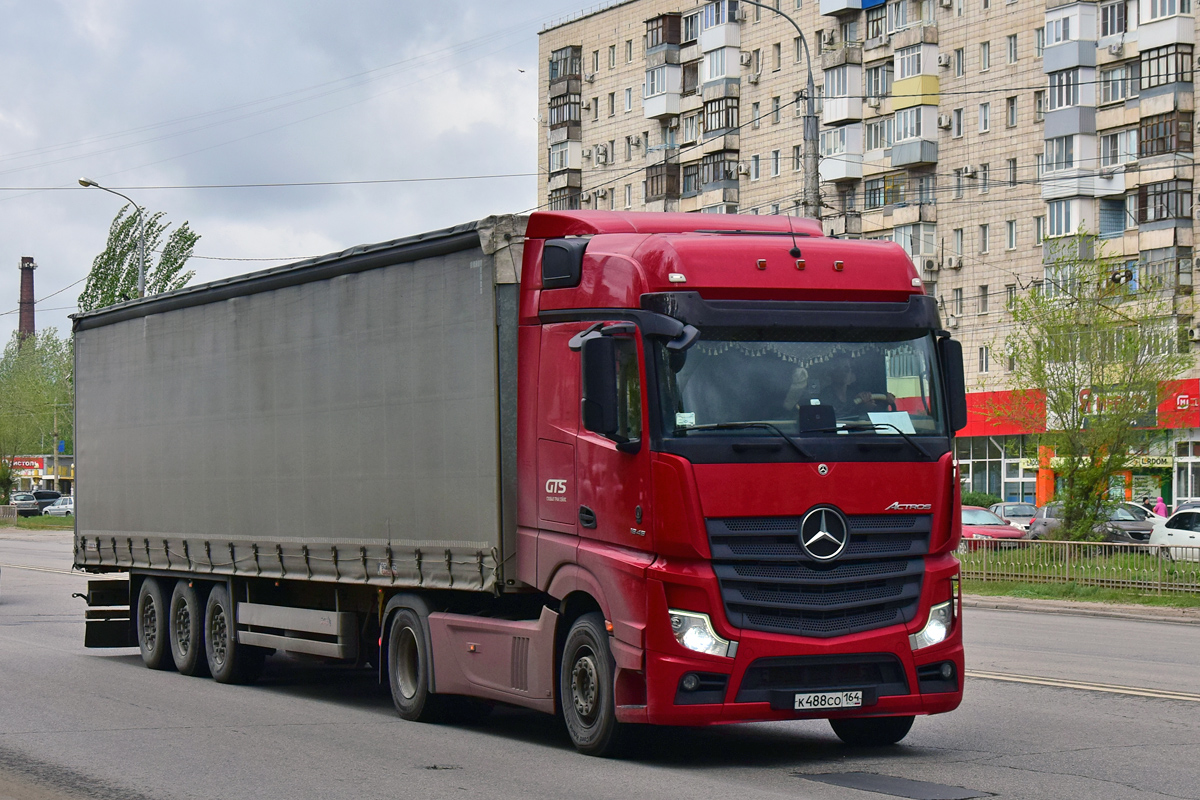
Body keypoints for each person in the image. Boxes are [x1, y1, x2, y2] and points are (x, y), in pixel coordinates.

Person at [819, 359, 893, 416]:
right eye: (841, 368)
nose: (846, 371)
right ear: (832, 372)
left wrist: (886, 401)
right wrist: (861, 408)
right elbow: (838, 414)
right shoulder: (826, 394)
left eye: (848, 368)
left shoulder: (854, 391)